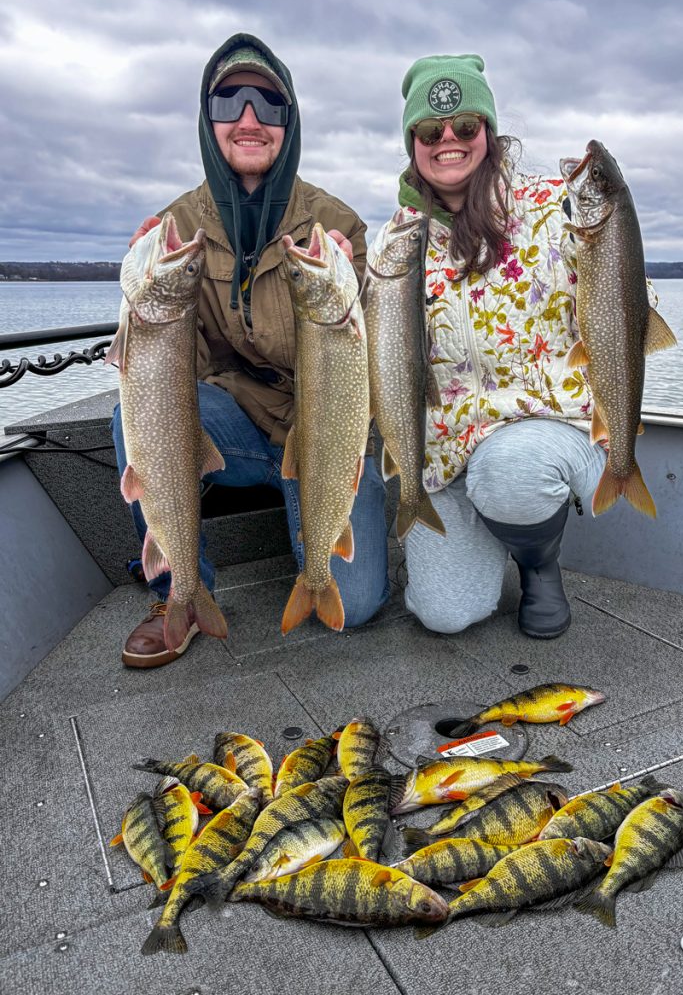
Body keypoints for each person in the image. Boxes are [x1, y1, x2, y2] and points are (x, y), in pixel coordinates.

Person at [114, 33, 389, 668]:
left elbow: (370, 354)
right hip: (235, 424)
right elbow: (174, 373)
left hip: (322, 433)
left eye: (267, 105)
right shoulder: (177, 226)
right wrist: (142, 301)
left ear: (289, 123)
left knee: (357, 604)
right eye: (228, 102)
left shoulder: (335, 224)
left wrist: (357, 285)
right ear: (206, 120)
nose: (247, 119)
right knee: (133, 420)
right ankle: (179, 592)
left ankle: (318, 543)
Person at [369, 53, 632, 640]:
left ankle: (538, 563)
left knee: (511, 472)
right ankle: (491, 534)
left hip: (544, 429)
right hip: (445, 451)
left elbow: (626, 304)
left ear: (486, 131)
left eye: (465, 125)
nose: (448, 140)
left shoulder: (556, 206)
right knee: (444, 615)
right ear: (412, 143)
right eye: (429, 131)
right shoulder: (398, 242)